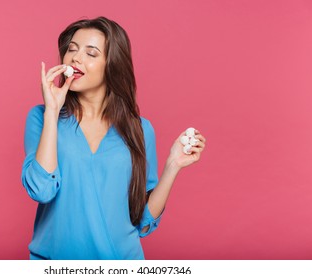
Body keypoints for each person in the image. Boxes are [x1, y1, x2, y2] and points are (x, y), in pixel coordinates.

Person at [21, 16, 206, 260]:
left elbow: (142, 221)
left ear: (112, 64)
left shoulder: (139, 129)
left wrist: (173, 166)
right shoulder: (42, 117)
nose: (76, 57)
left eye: (91, 53)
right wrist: (53, 111)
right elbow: (41, 191)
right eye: (72, 49)